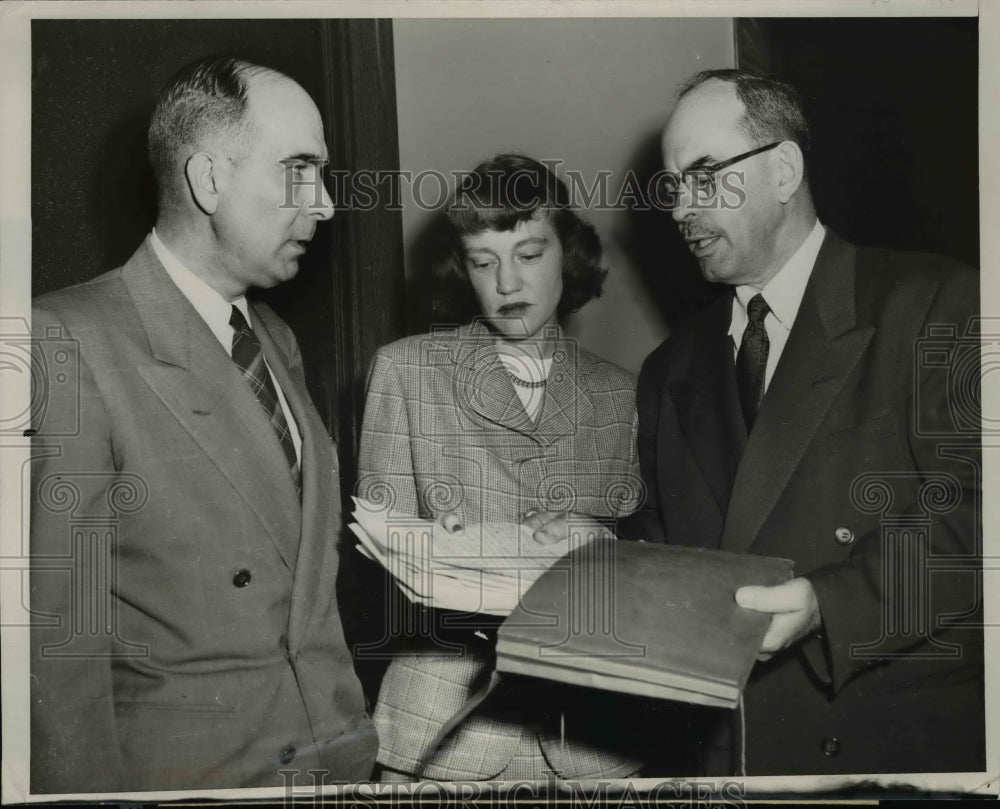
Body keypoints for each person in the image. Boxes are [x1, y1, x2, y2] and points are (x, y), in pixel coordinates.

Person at [618, 68, 984, 776]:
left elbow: (980, 515)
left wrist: (828, 604)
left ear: (784, 170)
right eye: (672, 187)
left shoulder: (934, 303)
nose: (680, 209)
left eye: (704, 176)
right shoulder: (669, 368)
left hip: (893, 754)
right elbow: (662, 548)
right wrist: (585, 551)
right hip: (734, 760)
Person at [29, 56, 377, 792]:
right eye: (299, 170)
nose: (324, 205)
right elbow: (59, 659)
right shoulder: (66, 340)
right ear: (209, 180)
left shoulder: (276, 339)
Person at [356, 154, 649, 782]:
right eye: (484, 262)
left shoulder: (621, 394)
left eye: (529, 255)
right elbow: (368, 556)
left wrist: (601, 543)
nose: (507, 284)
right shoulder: (405, 371)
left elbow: (649, 552)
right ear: (462, 270)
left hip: (591, 736)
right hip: (441, 725)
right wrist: (439, 552)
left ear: (568, 255)